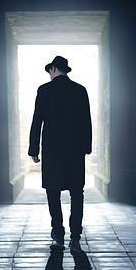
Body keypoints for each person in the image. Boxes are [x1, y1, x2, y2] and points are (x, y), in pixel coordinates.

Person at [28, 55, 92, 252]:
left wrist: (34, 149)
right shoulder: (80, 90)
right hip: (74, 151)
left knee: (53, 192)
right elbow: (86, 122)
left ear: (53, 69)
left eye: (50, 71)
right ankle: (75, 237)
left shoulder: (45, 90)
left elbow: (37, 120)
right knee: (77, 193)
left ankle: (58, 234)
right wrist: (86, 147)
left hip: (53, 150)